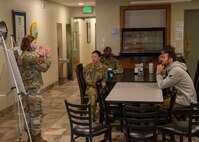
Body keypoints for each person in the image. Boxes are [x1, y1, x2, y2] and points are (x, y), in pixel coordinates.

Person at [18, 35, 51, 142]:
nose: (35, 44)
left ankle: (30, 137)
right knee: (36, 113)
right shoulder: (30, 57)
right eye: (34, 42)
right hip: (32, 90)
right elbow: (44, 67)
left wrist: (41, 56)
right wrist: (47, 56)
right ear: (29, 44)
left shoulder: (22, 55)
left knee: (28, 113)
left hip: (25, 89)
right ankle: (37, 137)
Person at [83, 50, 107, 122]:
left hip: (102, 88)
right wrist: (98, 85)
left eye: (95, 57)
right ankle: (92, 120)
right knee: (93, 99)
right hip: (92, 88)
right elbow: (88, 81)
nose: (93, 58)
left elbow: (105, 77)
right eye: (92, 57)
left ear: (99, 58)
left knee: (109, 96)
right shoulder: (88, 67)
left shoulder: (104, 67)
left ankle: (105, 116)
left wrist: (104, 81)